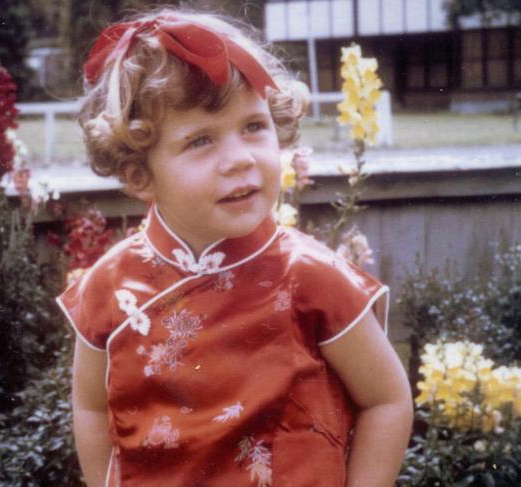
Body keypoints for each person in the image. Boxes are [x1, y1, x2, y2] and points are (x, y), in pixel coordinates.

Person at [57, 7, 413, 487]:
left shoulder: (312, 277)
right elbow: (91, 406)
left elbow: (387, 399)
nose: (240, 159)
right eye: (201, 140)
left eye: (253, 126)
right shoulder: (108, 288)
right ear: (141, 173)